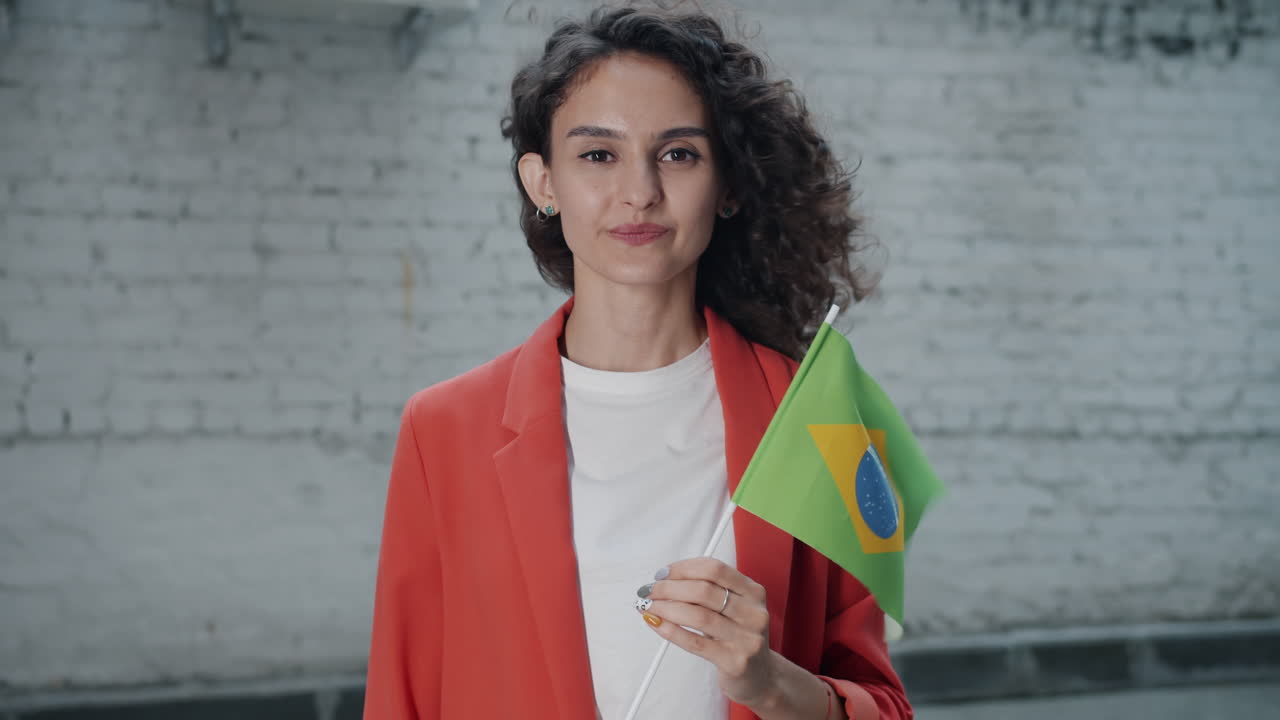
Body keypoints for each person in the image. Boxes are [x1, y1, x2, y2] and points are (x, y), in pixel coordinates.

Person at [363, 6, 910, 720]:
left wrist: (770, 682)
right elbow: (402, 699)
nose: (640, 191)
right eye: (598, 154)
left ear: (729, 185)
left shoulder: (816, 417)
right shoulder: (443, 430)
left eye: (679, 153)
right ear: (543, 183)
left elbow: (882, 707)